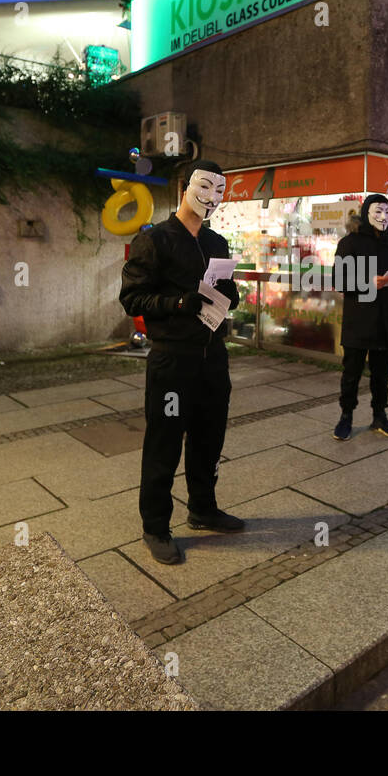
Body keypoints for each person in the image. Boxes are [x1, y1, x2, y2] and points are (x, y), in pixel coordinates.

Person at [119, 161, 243, 565]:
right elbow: (132, 298)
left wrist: (229, 294)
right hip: (172, 359)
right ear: (187, 188)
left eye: (219, 190)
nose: (211, 196)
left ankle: (202, 508)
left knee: (209, 439)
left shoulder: (217, 242)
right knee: (164, 443)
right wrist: (176, 303)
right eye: (205, 186)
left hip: (212, 356)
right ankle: (155, 526)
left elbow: (223, 294)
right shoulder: (154, 240)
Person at [331, 193, 388, 441]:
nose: (383, 217)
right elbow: (339, 281)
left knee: (382, 374)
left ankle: (380, 416)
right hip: (359, 320)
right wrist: (369, 282)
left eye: (387, 212)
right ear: (366, 213)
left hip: (386, 319)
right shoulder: (349, 243)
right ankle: (346, 417)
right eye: (378, 211)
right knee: (351, 372)